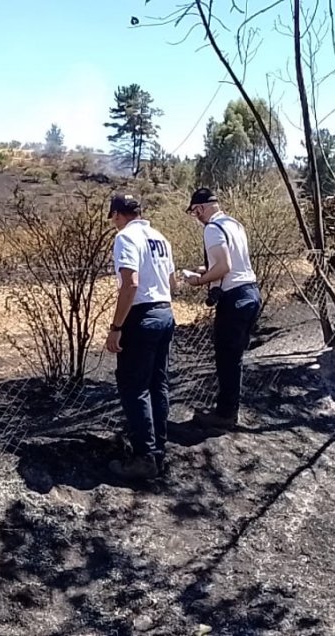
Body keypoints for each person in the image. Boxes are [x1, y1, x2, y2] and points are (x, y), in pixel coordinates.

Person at [104, 193, 177, 480]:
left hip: (141, 317)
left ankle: (144, 457)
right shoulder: (160, 238)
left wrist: (116, 327)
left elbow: (130, 284)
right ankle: (158, 450)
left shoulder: (125, 237)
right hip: (165, 312)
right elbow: (172, 283)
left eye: (113, 218)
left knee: (134, 387)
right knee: (158, 383)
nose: (114, 223)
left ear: (117, 215)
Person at [183, 187, 261, 428]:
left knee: (226, 358)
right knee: (234, 357)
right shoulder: (234, 224)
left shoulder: (212, 228)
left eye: (194, 211)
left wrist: (197, 280)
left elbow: (224, 267)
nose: (196, 217)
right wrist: (207, 270)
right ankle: (228, 409)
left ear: (201, 208)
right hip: (251, 292)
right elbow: (233, 263)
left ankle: (225, 415)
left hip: (234, 298)